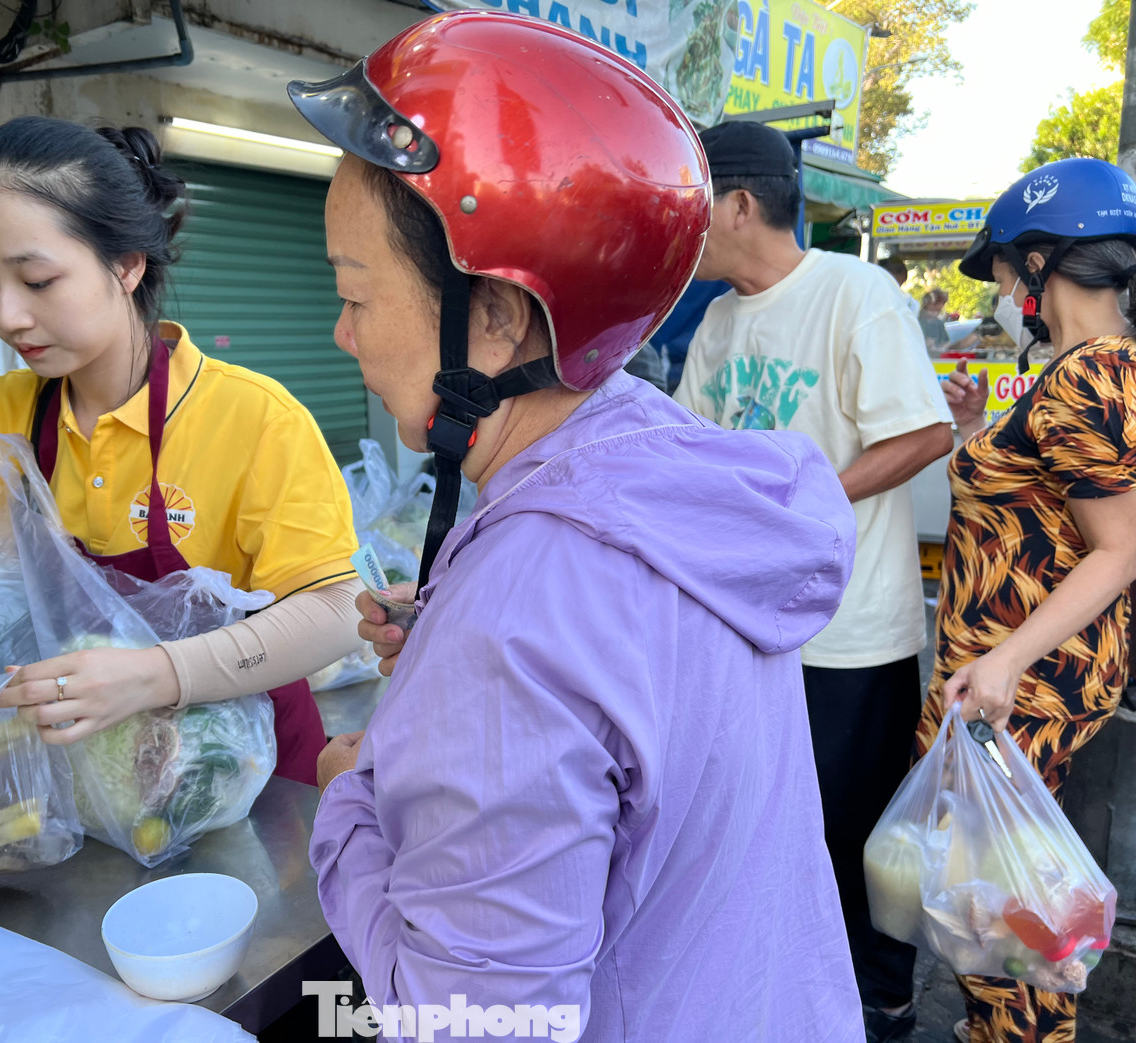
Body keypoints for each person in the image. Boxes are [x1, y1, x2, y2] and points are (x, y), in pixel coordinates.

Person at [297, 12, 863, 1040]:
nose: (341, 333)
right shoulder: (658, 460)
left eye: (353, 292)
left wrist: (350, 798)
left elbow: (478, 1019)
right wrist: (453, 653)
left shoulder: (521, 621)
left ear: (502, 316)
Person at [0, 118, 363, 785]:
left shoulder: (254, 417)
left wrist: (155, 675)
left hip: (246, 771)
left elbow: (334, 611)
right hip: (92, 778)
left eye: (36, 281)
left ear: (126, 264)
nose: (5, 316)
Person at [670, 120, 954, 1041]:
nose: (687, 229)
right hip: (751, 630)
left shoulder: (856, 293)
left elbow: (922, 435)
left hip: (852, 632)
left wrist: (802, 494)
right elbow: (688, 453)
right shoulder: (717, 320)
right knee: (765, 829)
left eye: (696, 205)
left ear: (741, 204)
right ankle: (791, 993)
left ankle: (883, 1000)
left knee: (856, 833)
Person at [924, 157, 1136, 1043]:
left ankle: (1019, 1035)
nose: (1007, 290)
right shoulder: (1081, 369)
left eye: (1010, 270)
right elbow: (1043, 510)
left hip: (1023, 681)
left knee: (1005, 905)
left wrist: (1004, 658)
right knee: (1010, 893)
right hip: (1019, 673)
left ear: (1046, 263)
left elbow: (1121, 550)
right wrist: (980, 434)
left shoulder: (1090, 373)